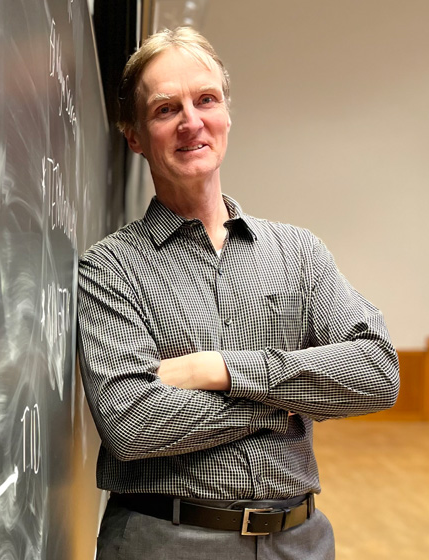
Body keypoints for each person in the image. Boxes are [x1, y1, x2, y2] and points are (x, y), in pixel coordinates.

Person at [76, 27, 399, 559]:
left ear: (227, 113)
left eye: (206, 100)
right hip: (169, 543)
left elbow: (378, 374)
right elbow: (133, 425)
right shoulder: (111, 268)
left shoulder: (297, 252)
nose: (191, 122)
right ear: (133, 135)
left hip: (301, 542)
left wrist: (223, 371)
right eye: (165, 110)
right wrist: (286, 401)